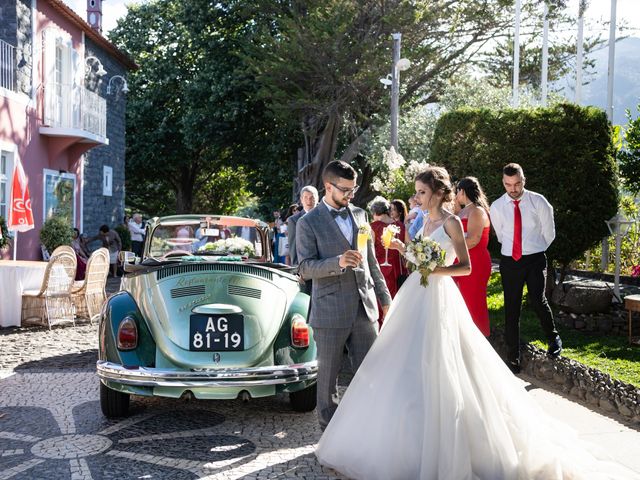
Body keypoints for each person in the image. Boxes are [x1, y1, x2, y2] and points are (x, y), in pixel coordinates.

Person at [315, 166, 634, 480]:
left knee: (443, 364)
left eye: (422, 192)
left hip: (438, 295)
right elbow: (421, 257)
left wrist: (432, 270)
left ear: (439, 193)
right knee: (406, 363)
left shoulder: (453, 222)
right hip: (416, 293)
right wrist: (405, 250)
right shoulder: (425, 220)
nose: (417, 197)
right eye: (417, 192)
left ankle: (448, 439)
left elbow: (463, 267)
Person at [296, 160, 391, 431]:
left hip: (365, 308)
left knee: (371, 375)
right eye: (345, 190)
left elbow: (372, 263)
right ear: (328, 186)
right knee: (327, 383)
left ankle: (368, 434)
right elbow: (304, 268)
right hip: (329, 311)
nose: (351, 195)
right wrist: (337, 262)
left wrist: (385, 299)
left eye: (354, 189)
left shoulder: (361, 215)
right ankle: (330, 441)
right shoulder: (308, 223)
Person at [490, 163, 562, 374]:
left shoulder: (539, 202)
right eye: (508, 184)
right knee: (511, 308)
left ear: (524, 180)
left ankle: (553, 338)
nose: (513, 189)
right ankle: (513, 357)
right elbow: (502, 235)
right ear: (503, 182)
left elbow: (549, 233)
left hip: (534, 259)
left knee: (538, 300)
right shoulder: (497, 206)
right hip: (510, 261)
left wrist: (534, 249)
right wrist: (515, 251)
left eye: (517, 183)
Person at [453, 177, 492, 336]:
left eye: (457, 192)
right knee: (460, 303)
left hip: (475, 261)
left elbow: (474, 240)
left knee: (473, 303)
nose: (456, 195)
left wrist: (449, 247)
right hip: (461, 260)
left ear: (462, 191)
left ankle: (479, 339)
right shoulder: (462, 210)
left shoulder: (477, 211)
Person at [368, 197, 406, 330]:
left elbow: (369, 251)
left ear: (374, 212)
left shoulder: (373, 227)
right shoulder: (400, 226)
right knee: (396, 304)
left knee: (381, 303)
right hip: (398, 270)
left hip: (380, 271)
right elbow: (408, 247)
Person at [287, 185, 319, 267]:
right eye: (306, 197)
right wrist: (296, 268)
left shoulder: (325, 216)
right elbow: (293, 246)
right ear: (301, 199)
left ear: (317, 198)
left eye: (312, 197)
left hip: (323, 265)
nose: (309, 201)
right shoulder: (294, 220)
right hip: (305, 266)